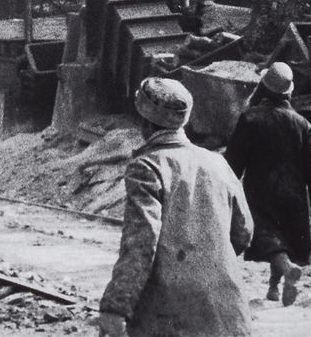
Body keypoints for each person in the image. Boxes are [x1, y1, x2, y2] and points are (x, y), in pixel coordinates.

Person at [97, 77, 253, 337]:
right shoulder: (218, 163)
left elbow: (141, 242)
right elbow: (244, 231)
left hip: (169, 319)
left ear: (144, 122)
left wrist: (116, 307)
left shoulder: (146, 167)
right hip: (227, 313)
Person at [224, 62, 311, 306]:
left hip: (260, 193)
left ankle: (288, 270)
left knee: (268, 239)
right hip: (294, 196)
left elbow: (233, 162)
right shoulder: (302, 124)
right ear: (289, 92)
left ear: (263, 89)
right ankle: (274, 288)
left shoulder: (250, 119)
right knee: (285, 240)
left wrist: (225, 187)